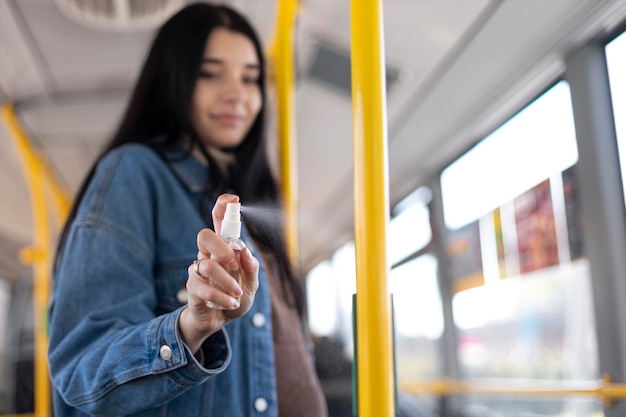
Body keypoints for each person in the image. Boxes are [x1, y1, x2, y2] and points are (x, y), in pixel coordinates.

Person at [47, 3, 328, 416]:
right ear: (172, 79)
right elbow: (82, 370)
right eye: (211, 73)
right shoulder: (135, 173)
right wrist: (191, 327)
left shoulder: (247, 198)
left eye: (250, 78)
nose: (237, 94)